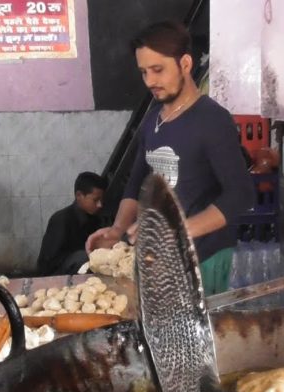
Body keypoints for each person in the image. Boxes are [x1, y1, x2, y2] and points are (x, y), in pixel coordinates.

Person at [86, 20, 255, 294]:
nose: (150, 81)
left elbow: (240, 195)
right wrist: (117, 229)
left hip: (204, 258)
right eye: (143, 72)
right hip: (163, 259)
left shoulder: (212, 120)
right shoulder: (154, 119)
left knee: (200, 335)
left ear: (185, 64)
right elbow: (136, 181)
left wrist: (178, 230)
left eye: (158, 70)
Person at [37, 172, 107, 276]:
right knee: (84, 257)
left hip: (77, 266)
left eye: (101, 200)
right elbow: (48, 262)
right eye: (95, 200)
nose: (100, 205)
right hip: (55, 274)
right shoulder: (61, 220)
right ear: (79, 195)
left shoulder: (95, 218)